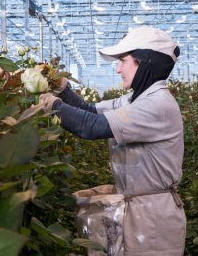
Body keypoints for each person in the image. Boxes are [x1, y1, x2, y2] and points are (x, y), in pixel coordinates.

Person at [38, 26, 186, 256]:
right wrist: (62, 89)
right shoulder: (136, 99)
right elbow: (91, 111)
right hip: (136, 209)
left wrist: (53, 105)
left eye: (123, 61)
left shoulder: (157, 105)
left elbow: (92, 126)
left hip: (153, 217)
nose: (118, 69)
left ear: (144, 62)